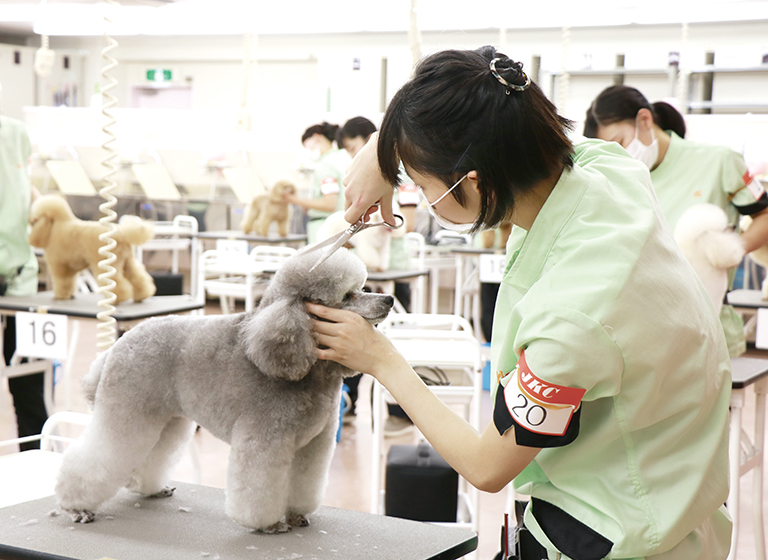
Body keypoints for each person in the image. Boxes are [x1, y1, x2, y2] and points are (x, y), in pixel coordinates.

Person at [306, 46, 732, 560]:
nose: (418, 197)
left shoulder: (574, 317)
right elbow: (489, 94)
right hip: (674, 500)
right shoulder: (606, 171)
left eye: (421, 186)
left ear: (473, 183)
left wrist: (381, 359)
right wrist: (384, 151)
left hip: (617, 535)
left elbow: (487, 466)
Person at [584, 85, 768, 357]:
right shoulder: (618, 180)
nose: (621, 156)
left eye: (620, 143)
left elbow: (764, 215)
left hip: (708, 331)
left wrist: (729, 250)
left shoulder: (717, 161)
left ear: (645, 120)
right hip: (641, 334)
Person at [339, 116, 419, 437]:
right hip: (366, 273)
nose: (351, 155)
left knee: (397, 342)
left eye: (354, 147)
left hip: (396, 269)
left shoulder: (409, 178)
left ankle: (400, 411)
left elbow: (407, 225)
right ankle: (349, 403)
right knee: (357, 336)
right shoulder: (356, 178)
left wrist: (386, 229)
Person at [0, 110, 47, 451]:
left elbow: (25, 187)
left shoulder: (15, 131)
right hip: (19, 273)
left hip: (22, 278)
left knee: (30, 384)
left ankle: (36, 467)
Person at [284, 122, 349, 244]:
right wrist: (309, 204)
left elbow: (330, 203)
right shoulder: (341, 158)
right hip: (339, 228)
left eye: (307, 147)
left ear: (316, 137)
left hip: (325, 229)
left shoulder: (326, 165)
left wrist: (293, 199)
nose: (308, 151)